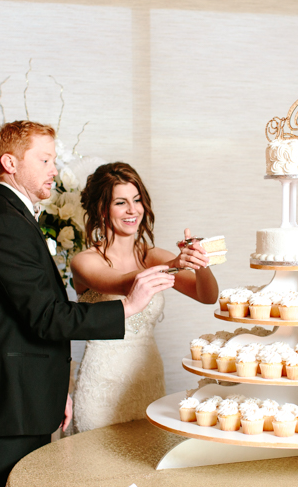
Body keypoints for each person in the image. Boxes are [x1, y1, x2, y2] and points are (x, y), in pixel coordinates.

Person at [0, 121, 174, 487]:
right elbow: (47, 317)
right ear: (10, 162)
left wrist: (55, 391)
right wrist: (128, 305)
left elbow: (25, 321)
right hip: (3, 410)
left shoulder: (14, 216)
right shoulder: (2, 221)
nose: (54, 170)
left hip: (21, 406)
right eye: (45, 160)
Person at [70, 162, 219, 432]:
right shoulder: (84, 261)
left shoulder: (151, 255)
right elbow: (123, 284)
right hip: (101, 386)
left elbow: (207, 296)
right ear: (102, 209)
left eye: (137, 200)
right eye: (121, 202)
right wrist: (174, 263)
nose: (132, 210)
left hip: (148, 379)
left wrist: (199, 261)